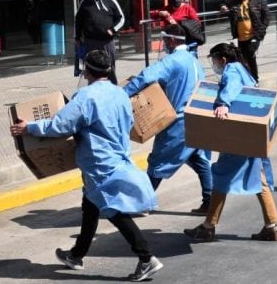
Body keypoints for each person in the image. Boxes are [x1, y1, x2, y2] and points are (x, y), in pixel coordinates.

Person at [9, 50, 163, 281]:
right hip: (117, 158)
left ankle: (146, 257)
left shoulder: (86, 97)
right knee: (90, 206)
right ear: (109, 69)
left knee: (112, 210)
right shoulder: (120, 93)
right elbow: (131, 122)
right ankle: (76, 255)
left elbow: (60, 126)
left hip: (99, 164)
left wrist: (29, 127)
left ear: (87, 70)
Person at [183, 43, 277, 242]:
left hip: (238, 135)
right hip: (250, 134)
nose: (215, 65)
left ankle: (208, 226)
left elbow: (232, 86)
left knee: (221, 177)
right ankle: (271, 225)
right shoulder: (245, 69)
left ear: (223, 59)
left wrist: (223, 104)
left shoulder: (232, 70)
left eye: (215, 60)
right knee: (258, 179)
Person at [123, 24, 212, 215]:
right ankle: (209, 200)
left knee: (157, 162)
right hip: (199, 119)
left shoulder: (172, 61)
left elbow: (144, 78)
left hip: (180, 122)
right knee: (199, 159)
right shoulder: (193, 59)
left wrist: (121, 94)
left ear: (171, 40)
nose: (164, 44)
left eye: (164, 41)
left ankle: (142, 203)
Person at [75, 0, 125, 84]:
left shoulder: (111, 0)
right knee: (92, 68)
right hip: (91, 42)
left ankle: (113, 89)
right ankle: (93, 90)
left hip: (107, 43)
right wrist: (77, 38)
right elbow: (78, 21)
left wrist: (113, 29)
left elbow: (121, 19)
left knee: (109, 68)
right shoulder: (85, 1)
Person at [220, 0, 270, 81]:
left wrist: (261, 30)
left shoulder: (259, 1)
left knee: (249, 56)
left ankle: (254, 79)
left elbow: (267, 16)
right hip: (241, 37)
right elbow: (225, 4)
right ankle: (249, 79)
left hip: (254, 36)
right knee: (244, 59)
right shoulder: (236, 0)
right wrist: (223, 7)